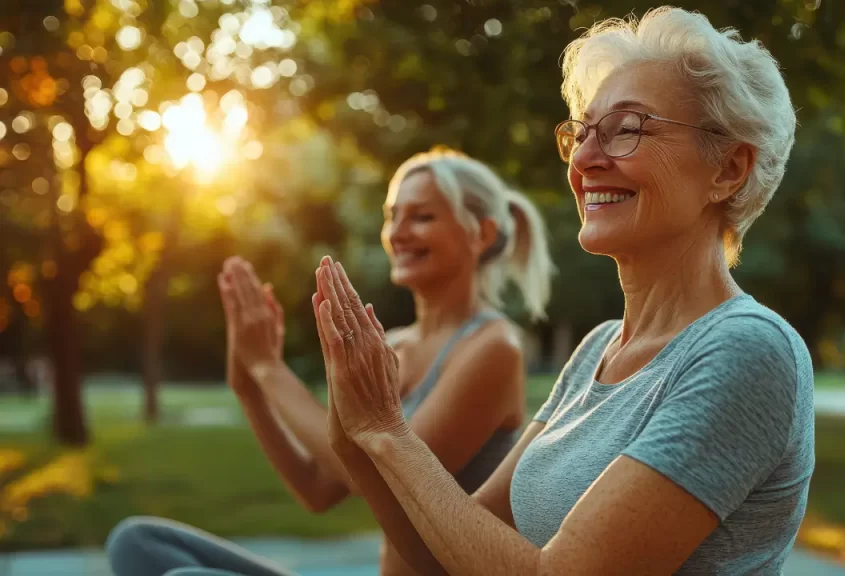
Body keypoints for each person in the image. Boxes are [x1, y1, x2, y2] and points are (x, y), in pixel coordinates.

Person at [313, 7, 814, 575]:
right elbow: (445, 553)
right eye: (581, 133)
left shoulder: (748, 350)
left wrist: (388, 433)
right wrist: (358, 436)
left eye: (627, 130)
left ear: (728, 169)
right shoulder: (596, 351)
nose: (583, 159)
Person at [105, 148, 556, 576]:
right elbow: (317, 489)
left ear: (482, 233)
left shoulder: (493, 349)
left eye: (422, 216)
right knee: (138, 542)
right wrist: (250, 387)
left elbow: (374, 480)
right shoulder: (391, 346)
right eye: (392, 216)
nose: (398, 232)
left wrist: (270, 370)